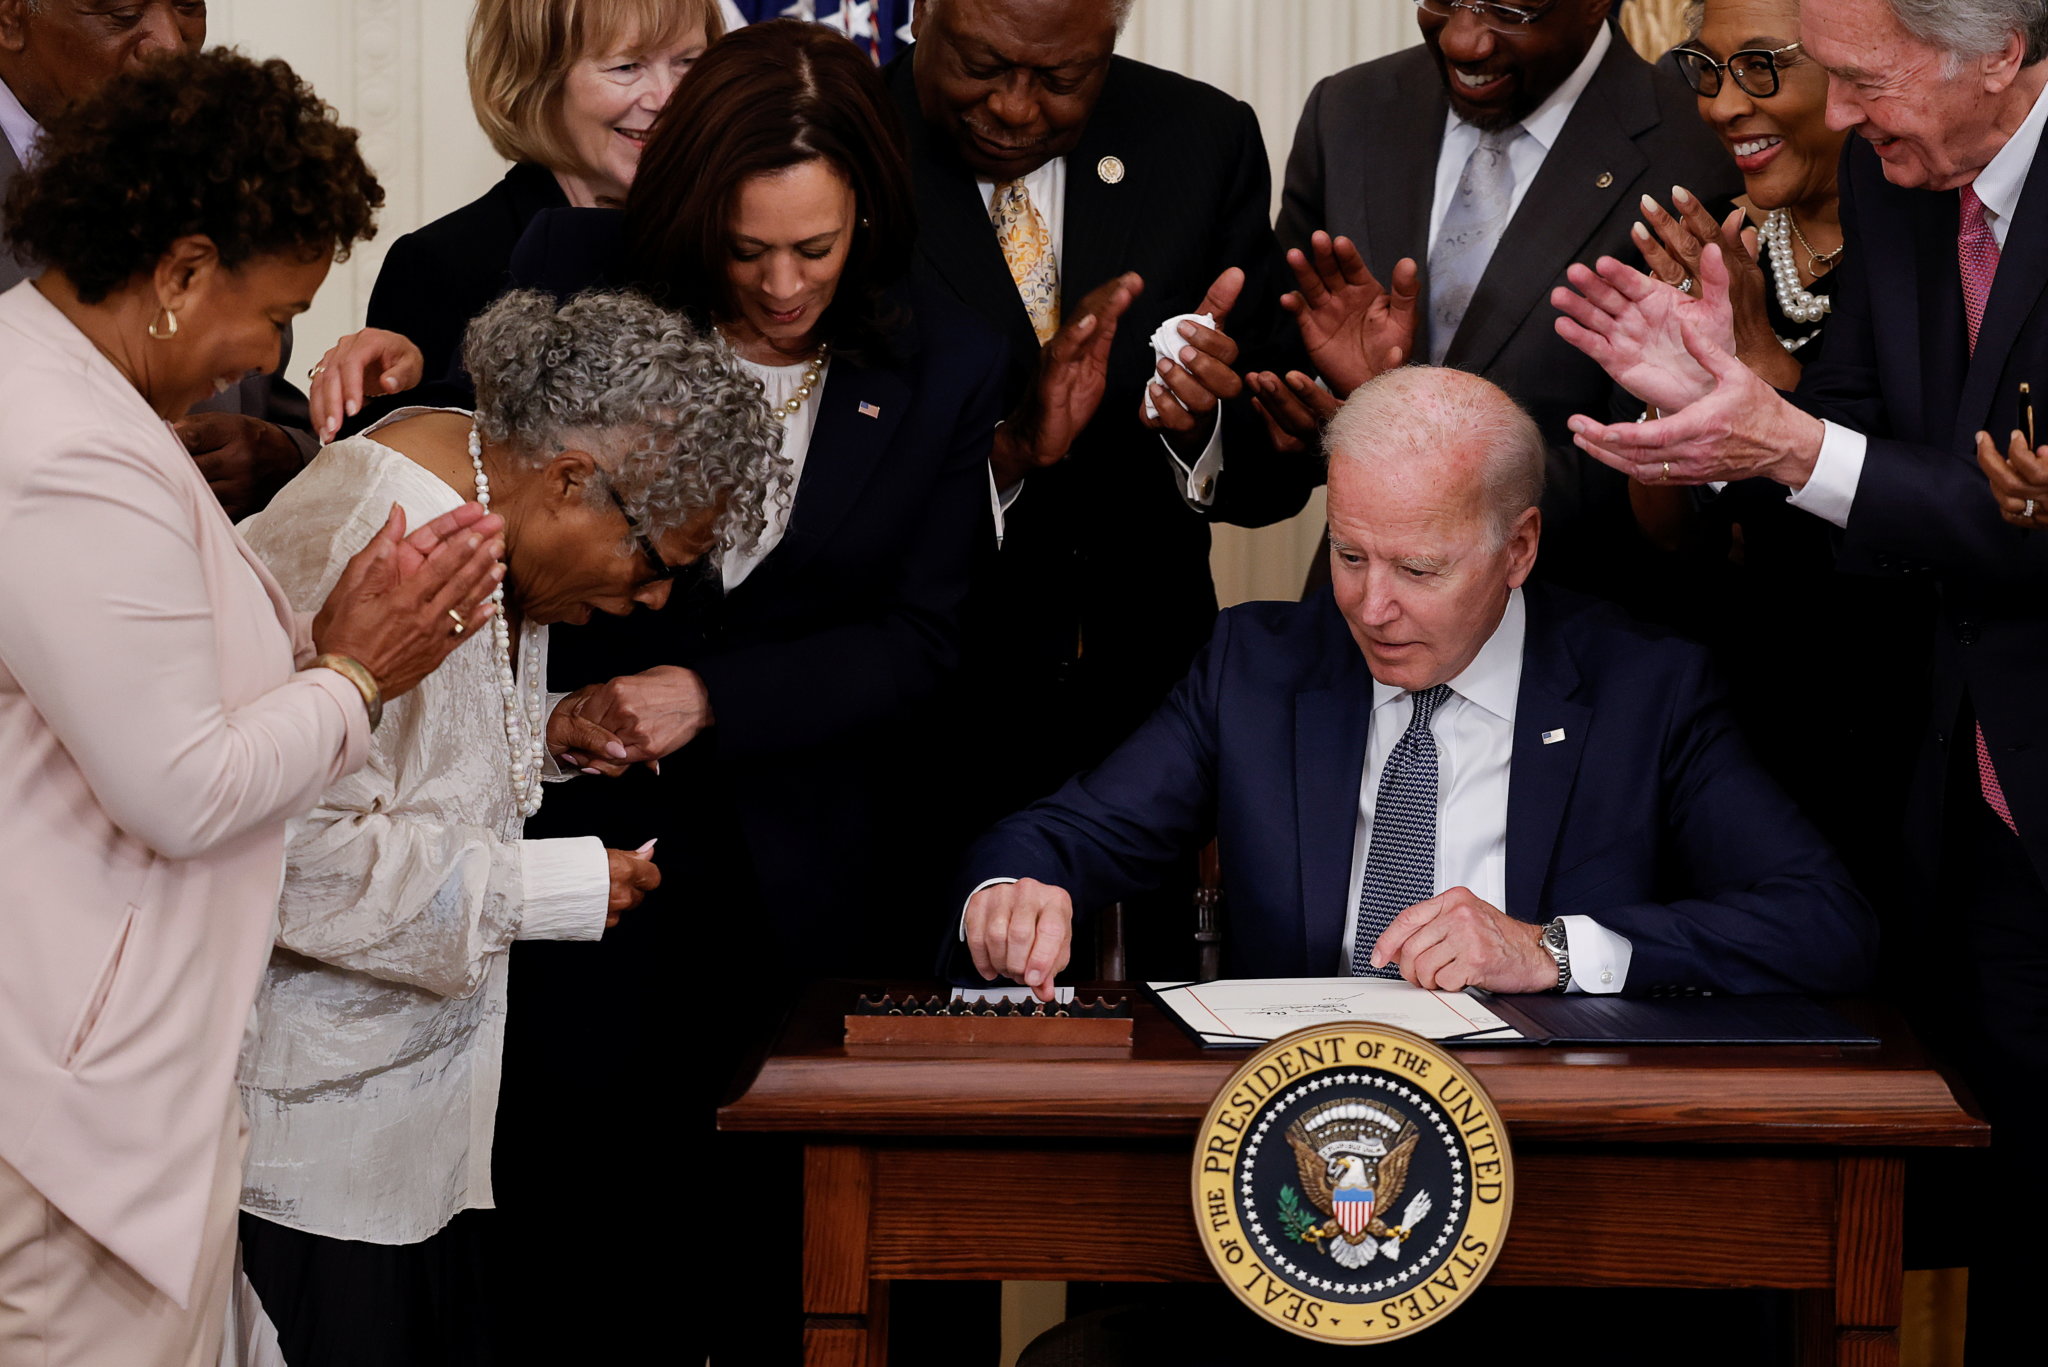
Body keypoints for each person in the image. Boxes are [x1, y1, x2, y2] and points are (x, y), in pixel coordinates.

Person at [1551, 0, 2048, 1345]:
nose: (1833, 117)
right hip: (1971, 808)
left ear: (1999, 53)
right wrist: (1739, 412)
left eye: (1863, 81)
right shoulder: (1899, 195)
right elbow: (1895, 472)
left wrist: (1786, 440)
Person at [0, 49, 503, 1367]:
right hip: (69, 1117)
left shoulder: (74, 402)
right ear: (177, 273)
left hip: (116, 1092)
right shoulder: (61, 450)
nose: (275, 354)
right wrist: (354, 672)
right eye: (275, 313)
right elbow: (181, 787)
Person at [230, 289, 778, 1367]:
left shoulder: (483, 506)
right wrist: (550, 890)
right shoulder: (377, 524)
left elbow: (402, 756)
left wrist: (553, 727)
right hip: (306, 1152)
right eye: (654, 558)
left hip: (413, 1134)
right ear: (573, 481)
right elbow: (283, 851)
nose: (658, 597)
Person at [958, 366, 1875, 1003]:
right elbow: (1057, 834)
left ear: (1518, 548)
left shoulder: (1647, 691)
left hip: (1546, 1143)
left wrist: (1551, 949)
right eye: (1351, 555)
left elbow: (1822, 924)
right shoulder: (1260, 664)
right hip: (1292, 1132)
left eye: (1421, 570)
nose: (1371, 605)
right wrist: (1016, 887)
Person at [894, 0, 1322, 837]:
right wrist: (1007, 449)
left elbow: (1272, 478)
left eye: (1061, 77)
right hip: (920, 727)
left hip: (1147, 727)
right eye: (983, 66)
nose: (1016, 106)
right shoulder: (840, 144)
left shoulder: (1199, 137)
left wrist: (1200, 431)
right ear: (920, 12)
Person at [1619, 0, 1935, 947]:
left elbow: (1927, 505)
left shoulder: (1934, 243)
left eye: (1761, 68)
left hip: (1901, 721)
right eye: (1705, 71)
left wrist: (1770, 387)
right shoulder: (1714, 244)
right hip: (1741, 720)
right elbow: (1672, 539)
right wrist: (1668, 410)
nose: (1722, 107)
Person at [1267, 0, 1740, 600]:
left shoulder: (1697, 149)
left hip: (1575, 624)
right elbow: (1285, 394)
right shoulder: (1350, 108)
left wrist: (1409, 443)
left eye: (1511, 9)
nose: (1465, 42)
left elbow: (1661, 476)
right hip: (1359, 620)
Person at [0, 0, 326, 517]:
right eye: (124, 13)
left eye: (187, 5)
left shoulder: (222, 157)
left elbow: (268, 393)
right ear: (11, 19)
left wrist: (283, 455)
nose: (171, 44)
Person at [359, 0, 723, 410]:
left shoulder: (741, 241)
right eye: (626, 67)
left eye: (689, 61)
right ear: (537, 81)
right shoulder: (440, 267)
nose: (668, 97)